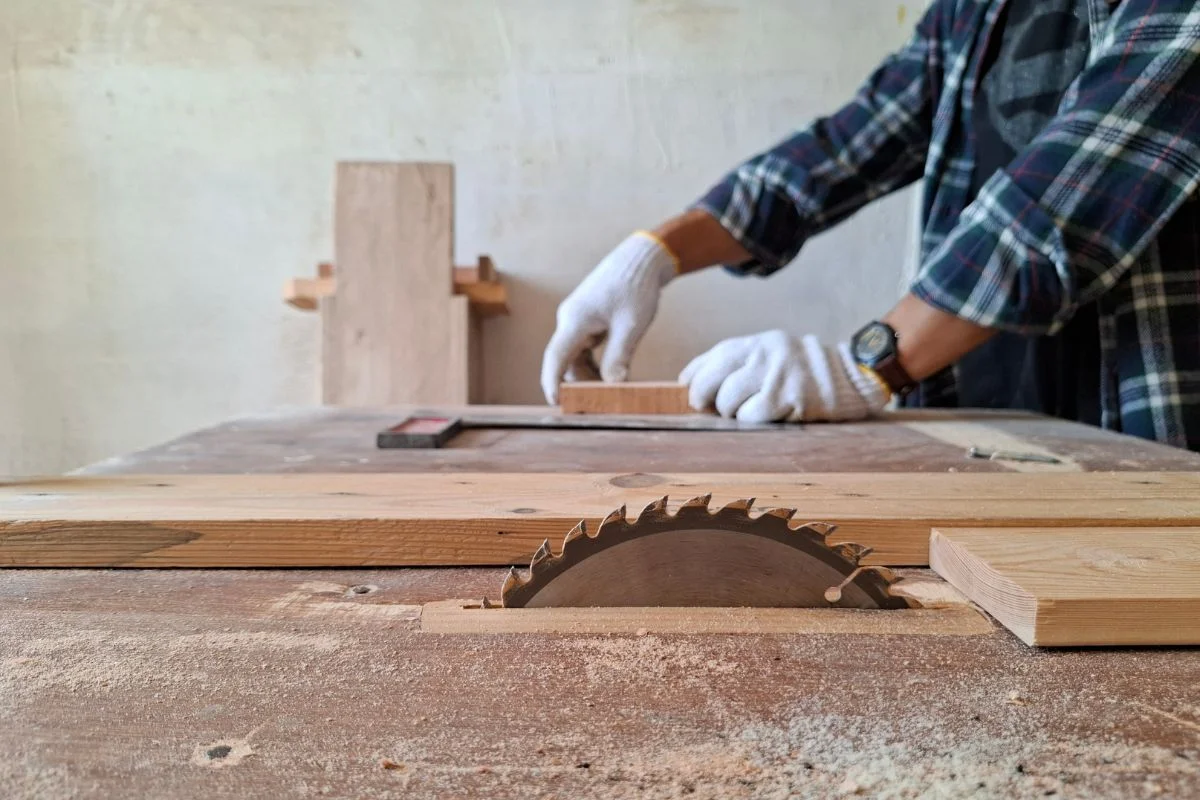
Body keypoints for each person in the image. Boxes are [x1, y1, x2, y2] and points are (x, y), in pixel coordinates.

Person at [540, 0, 1200, 452]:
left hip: (1144, 422)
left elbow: (1069, 192)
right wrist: (653, 254)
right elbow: (846, 147)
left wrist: (870, 361)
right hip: (989, 413)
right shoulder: (976, 10)